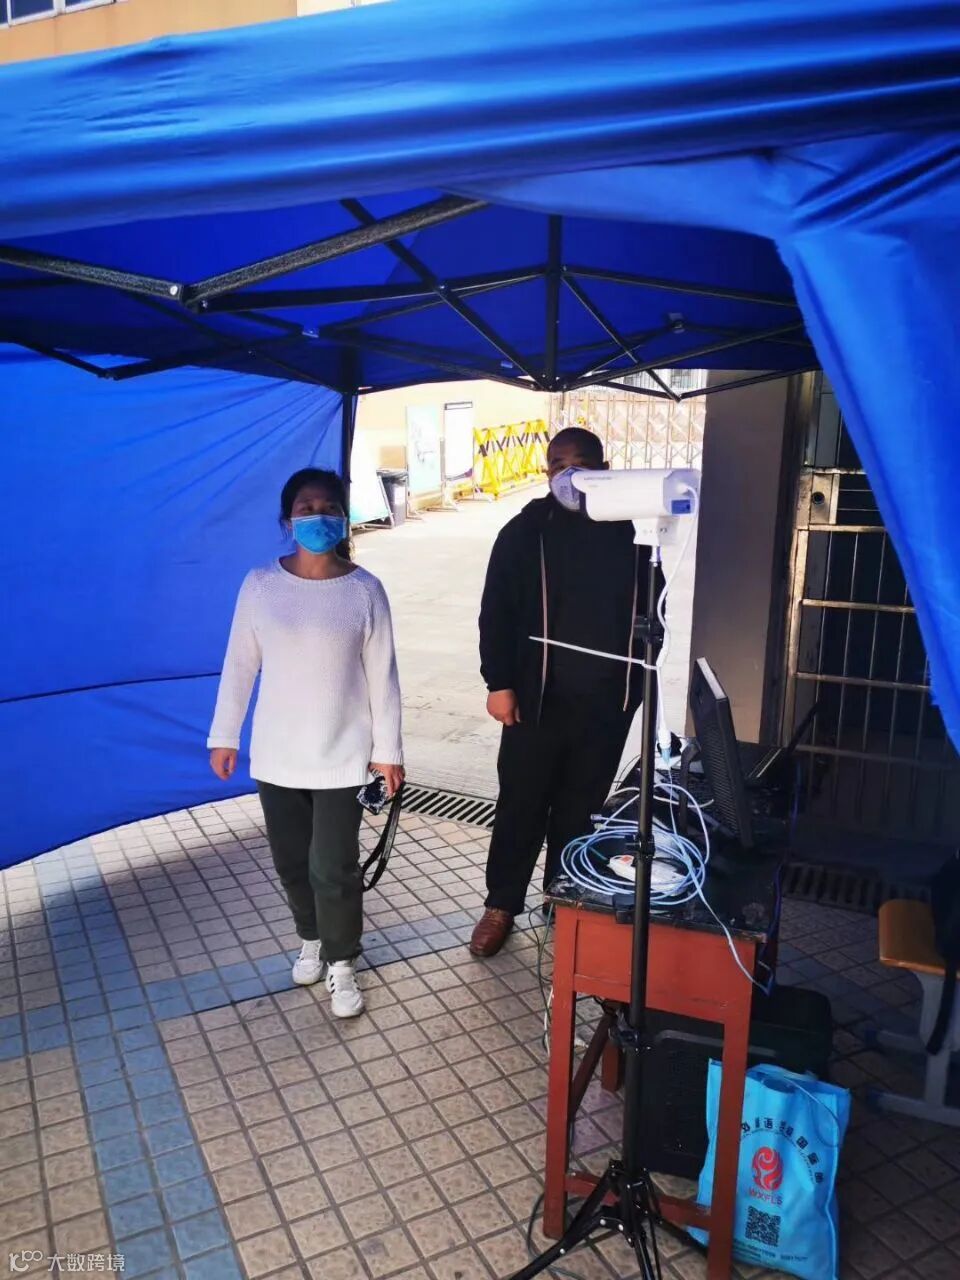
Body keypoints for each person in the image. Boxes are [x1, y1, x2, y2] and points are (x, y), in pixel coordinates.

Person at [207, 468, 403, 1017]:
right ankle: (312, 939)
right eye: (306, 507)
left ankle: (342, 961)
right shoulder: (261, 585)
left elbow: (383, 675)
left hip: (344, 754)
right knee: (292, 863)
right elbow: (239, 664)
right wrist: (225, 735)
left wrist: (389, 752)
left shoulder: (365, 590)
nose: (318, 516)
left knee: (333, 866)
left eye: (329, 507)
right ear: (287, 518)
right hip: (277, 753)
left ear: (344, 516)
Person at [470, 428, 655, 957]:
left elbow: (655, 608)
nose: (568, 474)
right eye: (558, 464)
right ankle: (501, 904)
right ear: (546, 470)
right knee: (521, 803)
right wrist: (499, 683)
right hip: (535, 699)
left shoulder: (633, 532)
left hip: (607, 702)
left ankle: (563, 895)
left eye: (581, 463)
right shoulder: (525, 531)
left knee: (582, 807)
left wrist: (637, 684)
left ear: (605, 468)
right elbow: (495, 612)